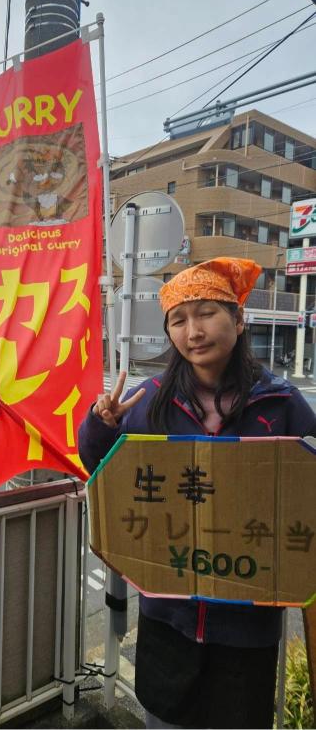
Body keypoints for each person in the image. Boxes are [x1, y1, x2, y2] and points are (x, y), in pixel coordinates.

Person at [78, 258, 316, 729]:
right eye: (179, 320)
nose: (194, 331)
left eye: (207, 313)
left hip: (248, 626)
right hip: (168, 618)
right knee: (165, 719)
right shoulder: (148, 400)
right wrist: (100, 426)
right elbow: (102, 472)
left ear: (238, 320)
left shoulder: (281, 403)